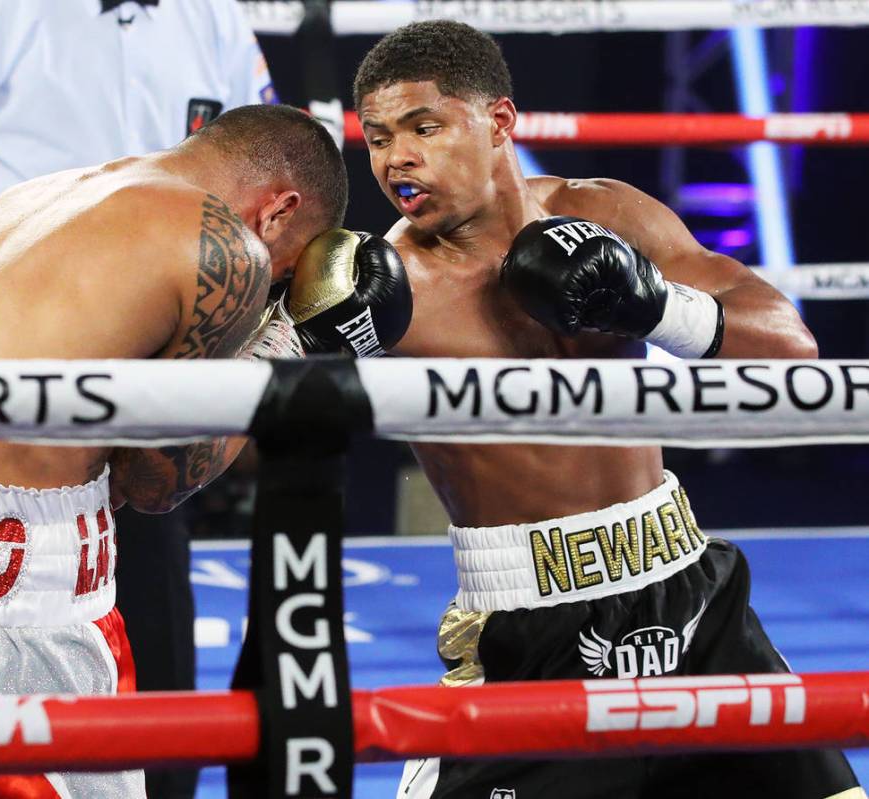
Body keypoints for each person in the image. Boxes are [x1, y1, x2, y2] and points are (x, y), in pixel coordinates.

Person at [346, 21, 864, 799]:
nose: (397, 159)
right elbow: (235, 414)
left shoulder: (604, 214)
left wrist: (653, 307)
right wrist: (317, 343)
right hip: (529, 621)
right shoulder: (388, 291)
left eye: (425, 127)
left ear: (499, 122)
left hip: (688, 589)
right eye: (379, 137)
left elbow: (791, 348)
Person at [0, 104, 359, 799]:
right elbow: (157, 481)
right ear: (278, 211)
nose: (269, 287)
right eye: (284, 268)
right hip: (15, 614)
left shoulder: (39, 193)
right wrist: (290, 337)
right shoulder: (226, 249)